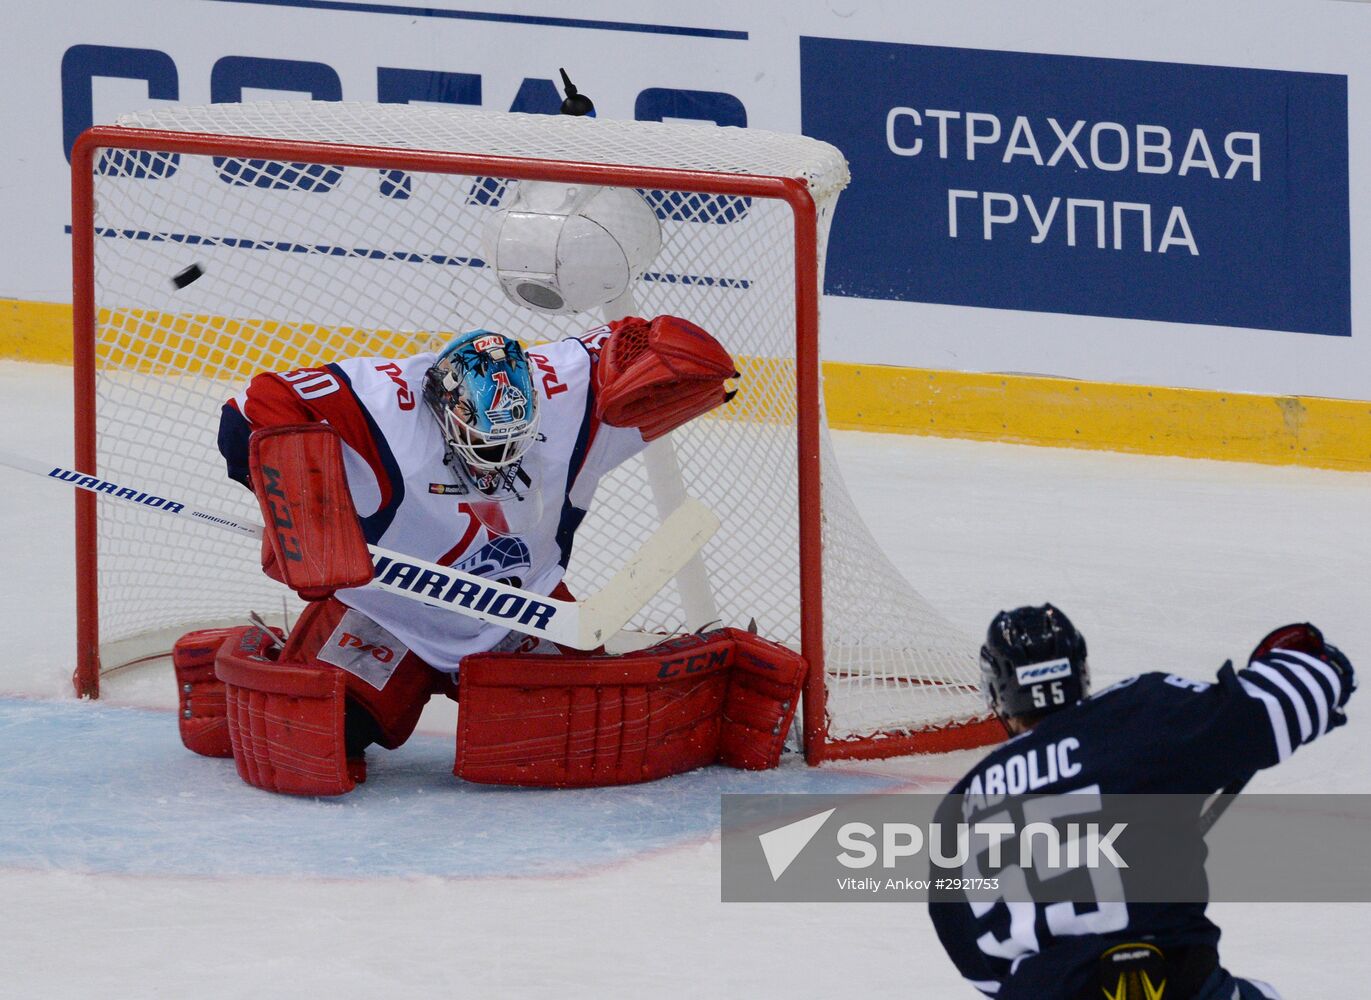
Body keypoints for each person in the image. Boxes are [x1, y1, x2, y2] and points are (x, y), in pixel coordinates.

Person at [170, 316, 808, 795]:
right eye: (482, 443)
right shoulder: (384, 403)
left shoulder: (562, 393)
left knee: (601, 738)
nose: (498, 464)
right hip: (389, 616)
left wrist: (678, 359)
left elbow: (645, 345)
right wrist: (304, 515)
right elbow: (250, 412)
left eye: (512, 444)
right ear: (441, 407)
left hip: (524, 612)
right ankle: (230, 670)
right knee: (309, 746)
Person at [928, 604, 1355, 1000]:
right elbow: (1285, 702)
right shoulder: (1140, 715)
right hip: (1177, 981)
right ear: (1079, 669)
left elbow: (979, 968)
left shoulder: (957, 810)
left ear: (998, 691)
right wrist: (1310, 659)